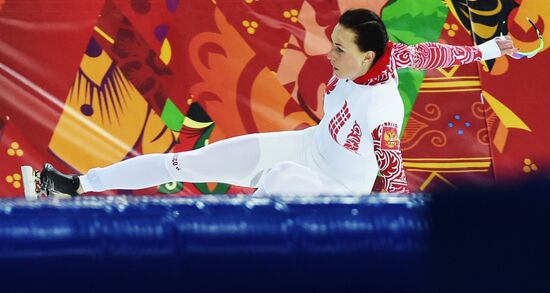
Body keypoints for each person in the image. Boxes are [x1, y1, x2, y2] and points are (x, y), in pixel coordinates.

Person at [22, 9, 518, 199]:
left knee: (278, 184)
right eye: (333, 41)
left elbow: (392, 174)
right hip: (307, 146)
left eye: (340, 49)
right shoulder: (388, 54)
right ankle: (77, 185)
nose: (330, 52)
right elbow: (441, 52)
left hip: (337, 186)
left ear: (366, 57)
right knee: (188, 160)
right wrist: (491, 48)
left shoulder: (382, 110)